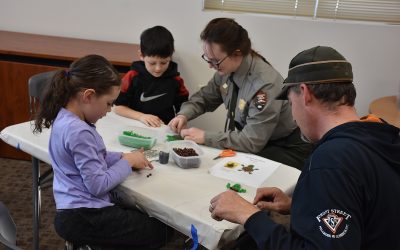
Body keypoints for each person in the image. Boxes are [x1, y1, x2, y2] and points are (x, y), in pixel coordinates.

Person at [208, 46, 400, 249]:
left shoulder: (330, 162)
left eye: (291, 103)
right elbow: (370, 210)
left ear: (305, 93)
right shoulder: (380, 132)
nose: (293, 115)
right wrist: (300, 206)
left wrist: (248, 215)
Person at [33, 55, 172, 249]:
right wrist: (128, 162)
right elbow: (97, 185)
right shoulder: (79, 131)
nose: (109, 110)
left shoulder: (65, 117)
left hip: (72, 210)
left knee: (139, 215)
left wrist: (123, 156)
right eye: (108, 103)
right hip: (85, 216)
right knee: (162, 230)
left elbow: (94, 157)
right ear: (88, 96)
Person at [168, 18, 311, 170]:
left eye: (215, 61)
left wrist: (205, 137)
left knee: (235, 170)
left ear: (237, 54)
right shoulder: (225, 70)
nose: (210, 66)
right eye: (207, 59)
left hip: (285, 147)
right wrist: (183, 115)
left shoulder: (264, 85)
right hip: (259, 141)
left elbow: (252, 141)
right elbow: (204, 98)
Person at [114, 25, 189, 127]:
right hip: (135, 125)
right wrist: (141, 116)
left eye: (163, 63)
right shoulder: (132, 76)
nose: (158, 68)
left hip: (163, 129)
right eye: (152, 63)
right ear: (141, 55)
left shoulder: (176, 80)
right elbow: (118, 108)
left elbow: (184, 112)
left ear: (170, 56)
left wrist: (181, 123)